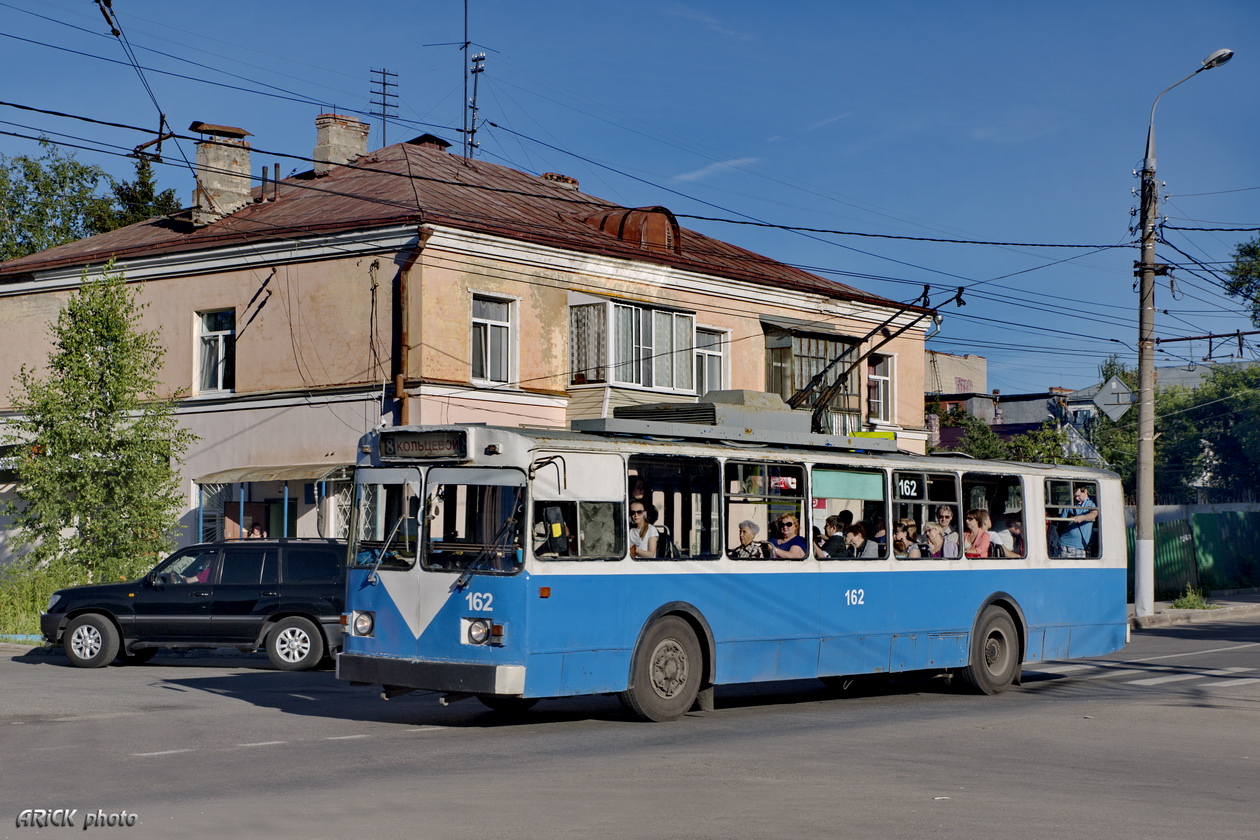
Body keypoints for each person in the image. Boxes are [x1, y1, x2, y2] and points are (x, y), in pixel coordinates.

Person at [1058, 484, 1098, 558]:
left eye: (1079, 496)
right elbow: (1062, 522)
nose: (1076, 498)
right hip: (1064, 544)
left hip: (1080, 547)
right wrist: (1069, 519)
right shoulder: (1070, 503)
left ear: (1085, 491)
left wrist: (1082, 517)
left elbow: (1093, 514)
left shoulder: (1093, 501)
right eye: (1075, 496)